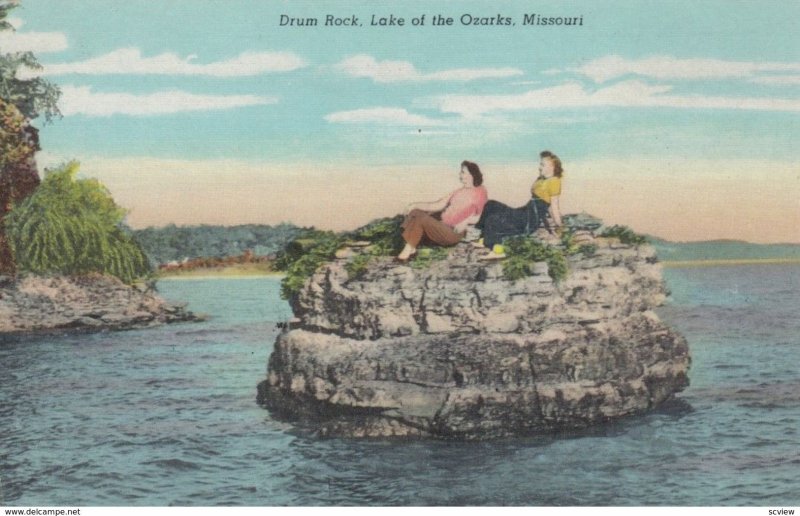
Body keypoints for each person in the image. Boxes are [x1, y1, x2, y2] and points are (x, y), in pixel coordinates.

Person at [475, 150, 564, 257]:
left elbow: (553, 206)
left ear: (552, 167)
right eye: (540, 164)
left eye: (543, 164)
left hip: (529, 220)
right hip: (524, 212)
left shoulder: (555, 181)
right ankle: (483, 239)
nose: (539, 167)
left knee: (494, 219)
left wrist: (559, 226)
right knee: (491, 205)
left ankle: (498, 251)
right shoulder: (541, 179)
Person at [397, 160, 488, 262]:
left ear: (472, 174)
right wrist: (414, 205)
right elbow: (438, 204)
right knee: (415, 211)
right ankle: (412, 248)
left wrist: (466, 222)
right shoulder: (459, 191)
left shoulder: (480, 192)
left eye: (463, 172)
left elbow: (481, 215)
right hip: (441, 226)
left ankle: (408, 249)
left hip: (453, 232)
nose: (460, 174)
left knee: (420, 218)